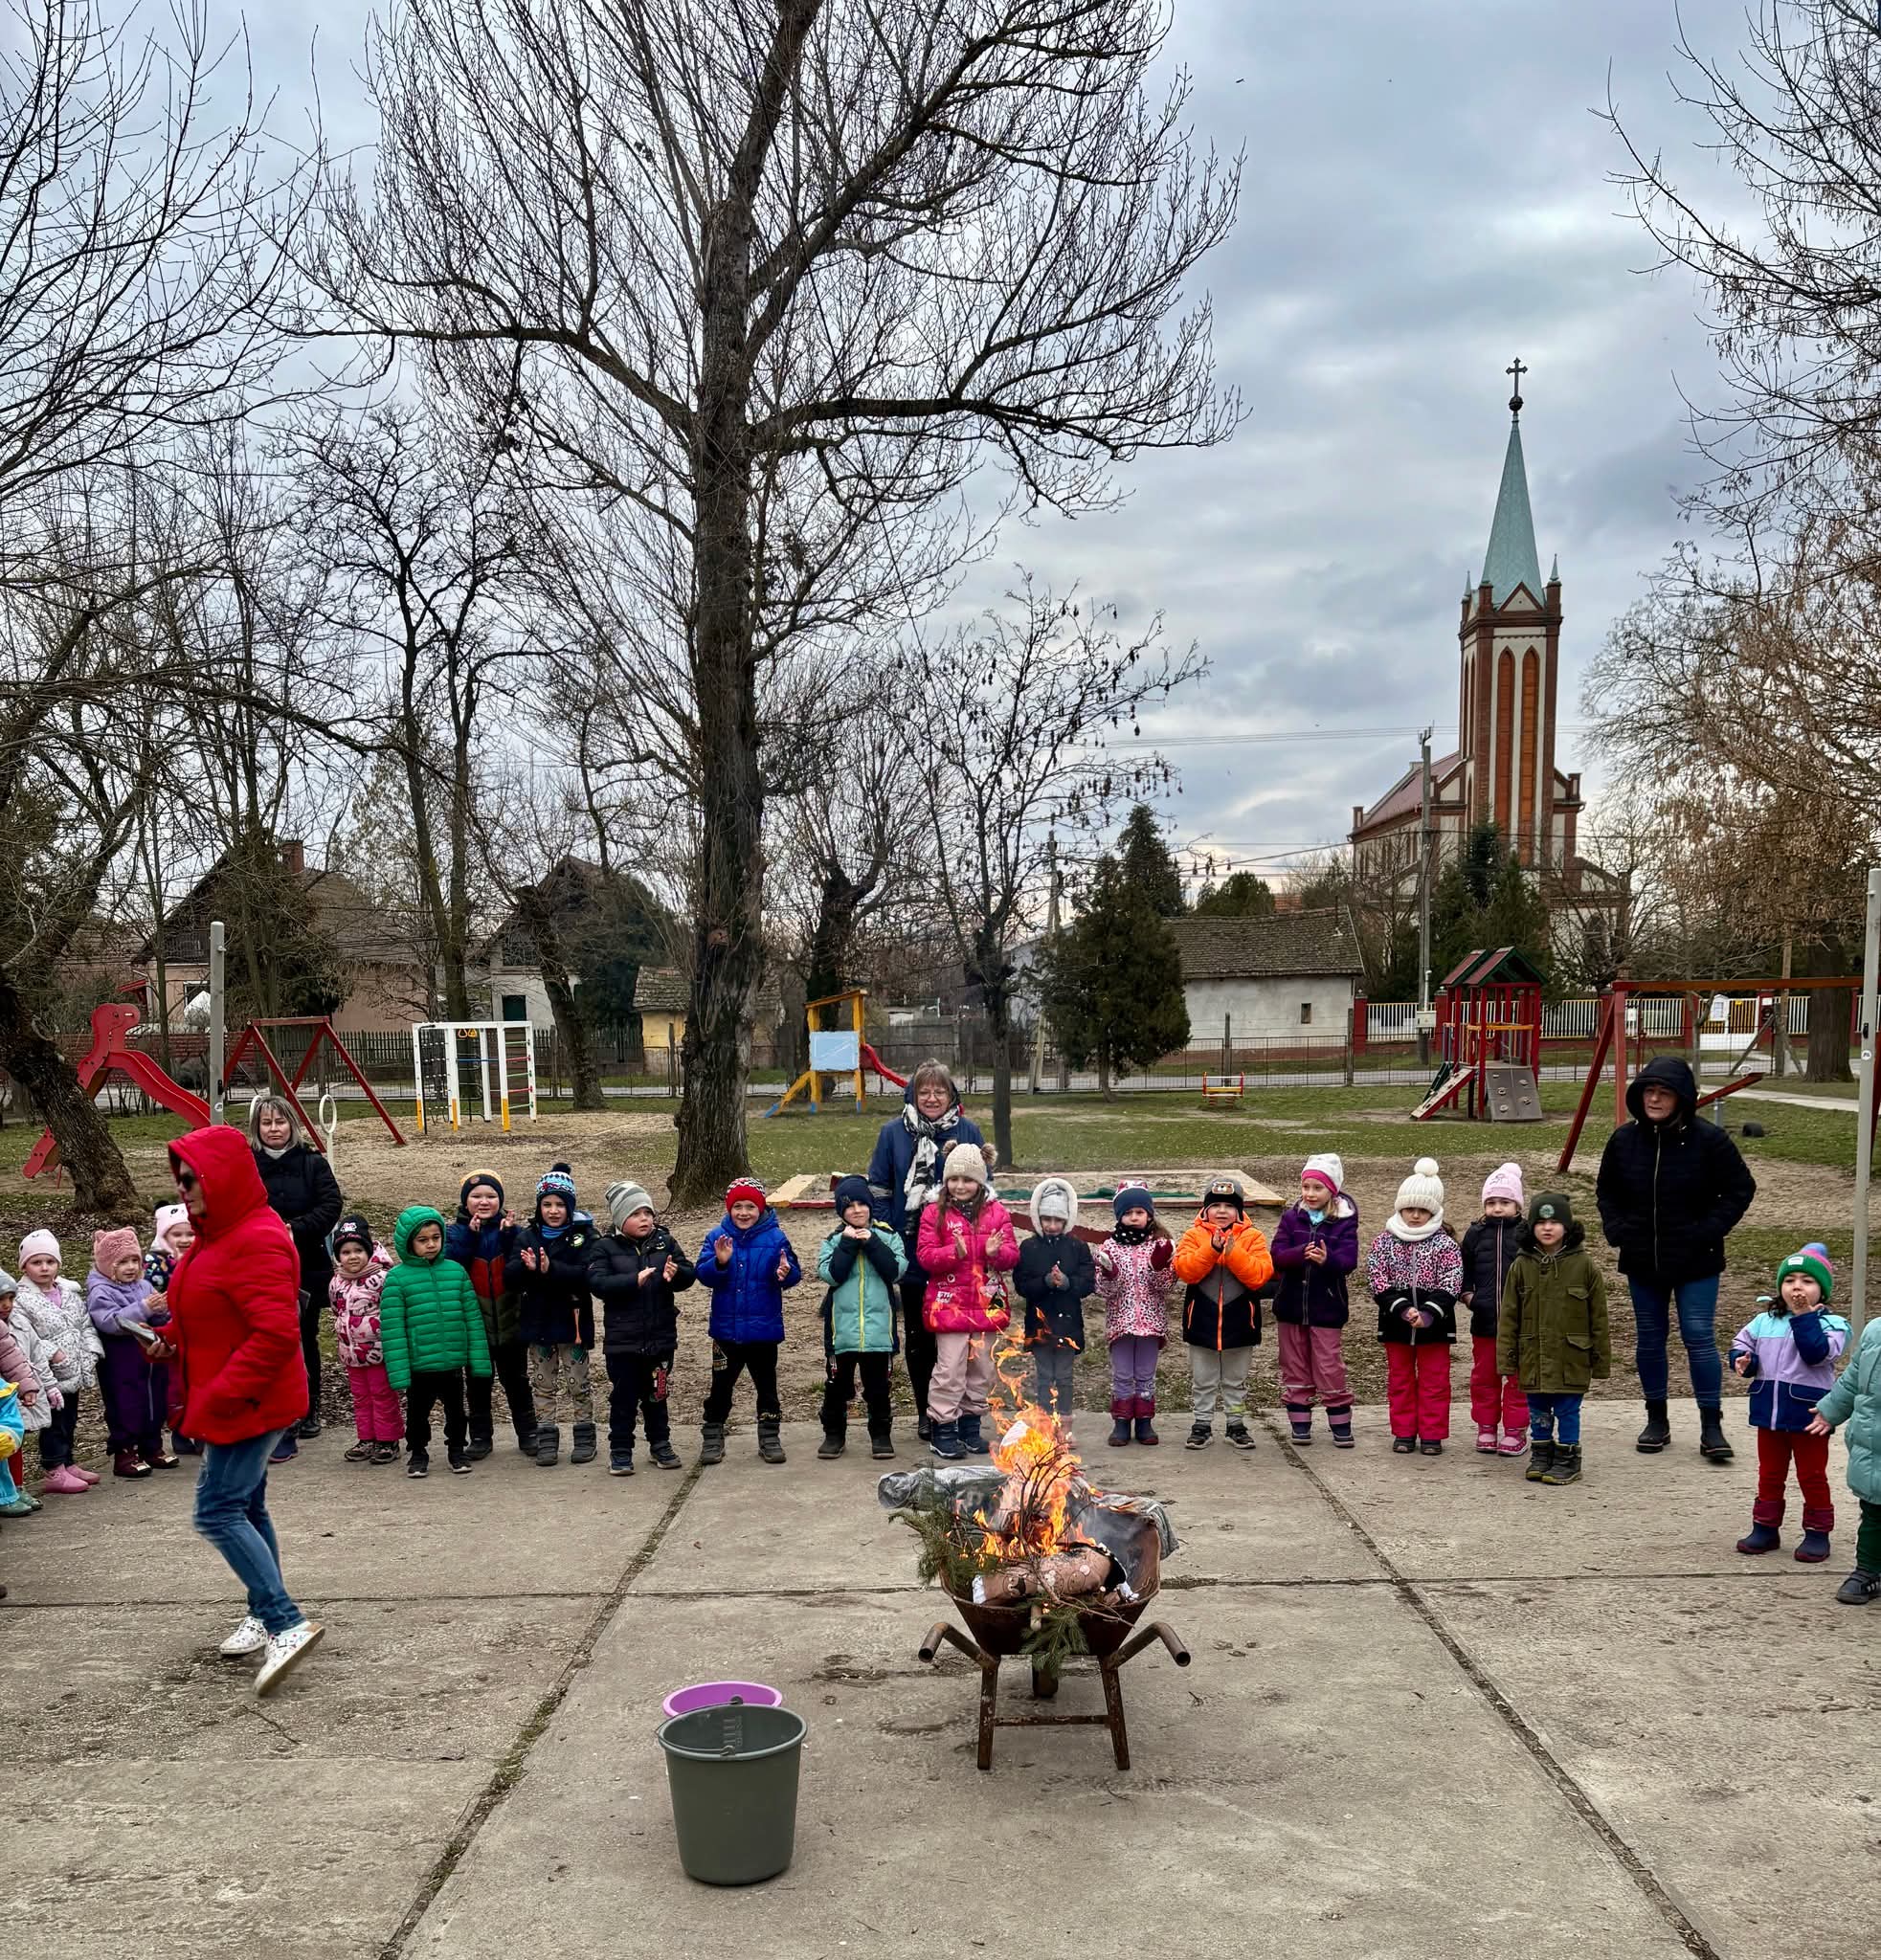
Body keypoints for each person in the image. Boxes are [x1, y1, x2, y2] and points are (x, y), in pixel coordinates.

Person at [163, 1125, 323, 1696]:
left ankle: (285, 1621)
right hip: (232, 1395)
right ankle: (264, 1610)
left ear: (220, 1175)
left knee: (217, 1510)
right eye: (179, 1181)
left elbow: (276, 1335)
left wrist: (222, 1393)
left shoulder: (256, 1238)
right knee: (248, 1506)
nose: (184, 1190)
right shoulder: (214, 1237)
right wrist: (170, 1338)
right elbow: (207, 1310)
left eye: (192, 1178)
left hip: (252, 1400)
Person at [1595, 1056, 1757, 1462]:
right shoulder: (1624, 1140)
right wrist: (1618, 1230)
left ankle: (1711, 1425)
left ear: (1681, 1098)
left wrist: (1707, 1230)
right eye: (1648, 1091)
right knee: (1650, 1338)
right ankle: (1656, 1418)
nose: (1654, 1098)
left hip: (1696, 1260)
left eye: (1663, 1092)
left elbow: (1740, 1189)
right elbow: (1606, 1191)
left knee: (1698, 1336)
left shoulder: (1710, 1141)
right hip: (1642, 1258)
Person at [867, 1063, 988, 1441]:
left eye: (940, 1092)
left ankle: (963, 1416)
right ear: (913, 1095)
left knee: (964, 1341)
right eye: (924, 1092)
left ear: (952, 1095)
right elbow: (880, 1189)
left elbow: (985, 1188)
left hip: (962, 1255)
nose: (932, 1099)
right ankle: (928, 1412)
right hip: (914, 1251)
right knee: (921, 1337)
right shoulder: (893, 1134)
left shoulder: (967, 1132)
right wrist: (892, 1234)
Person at [1730, 1246, 1848, 1562]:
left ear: (1822, 1289)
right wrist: (1743, 1361)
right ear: (1780, 1287)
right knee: (1769, 1473)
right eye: (1790, 1280)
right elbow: (1742, 1345)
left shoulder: (1833, 1325)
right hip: (1768, 1413)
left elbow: (1816, 1354)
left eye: (1807, 1280)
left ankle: (1817, 1532)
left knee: (1811, 1475)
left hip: (1810, 1415)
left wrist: (1804, 1316)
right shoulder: (1763, 1321)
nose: (1797, 1287)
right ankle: (1765, 1528)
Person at [249, 1095, 344, 1459]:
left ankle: (308, 1405)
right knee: (265, 1336)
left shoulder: (312, 1163)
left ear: (292, 1124)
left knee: (303, 1335)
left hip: (304, 1259)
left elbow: (330, 1204)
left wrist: (296, 1229)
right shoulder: (249, 1164)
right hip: (259, 1263)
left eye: (280, 1122)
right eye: (267, 1123)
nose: (274, 1130)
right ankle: (270, 1407)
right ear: (257, 1128)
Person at [1498, 1192, 1610, 1486]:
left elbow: (1598, 1317)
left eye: (1555, 1222)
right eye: (1541, 1222)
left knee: (1567, 1409)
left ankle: (1568, 1457)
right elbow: (1509, 1315)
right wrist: (1507, 1357)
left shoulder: (1585, 1265)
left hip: (1571, 1357)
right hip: (1532, 1355)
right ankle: (1541, 1452)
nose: (1547, 1228)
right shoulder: (1521, 1265)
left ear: (1568, 1226)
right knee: (1537, 1409)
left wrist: (1599, 1361)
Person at [916, 1144, 1019, 1461]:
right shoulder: (935, 1213)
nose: (960, 1186)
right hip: (950, 1303)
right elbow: (924, 1257)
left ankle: (970, 1424)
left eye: (968, 1179)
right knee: (950, 1368)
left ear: (981, 1180)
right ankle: (943, 1427)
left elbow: (1011, 1256)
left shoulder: (997, 1213)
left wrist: (994, 1253)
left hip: (987, 1302)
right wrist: (952, 1254)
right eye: (954, 1179)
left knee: (982, 1368)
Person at [588, 1180, 695, 1476]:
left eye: (648, 1212)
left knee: (657, 1395)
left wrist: (677, 1274)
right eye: (636, 1213)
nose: (645, 1219)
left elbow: (689, 1273)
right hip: (623, 1343)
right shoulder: (604, 1247)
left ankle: (660, 1444)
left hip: (660, 1339)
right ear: (621, 1219)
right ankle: (620, 1450)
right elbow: (597, 1283)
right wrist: (631, 1281)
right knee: (623, 1398)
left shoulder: (665, 1242)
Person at [697, 1177, 801, 1467]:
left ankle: (769, 1435)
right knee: (721, 1387)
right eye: (738, 1207)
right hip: (726, 1332)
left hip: (763, 1331)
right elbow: (703, 1274)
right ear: (729, 1209)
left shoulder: (775, 1238)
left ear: (761, 1208)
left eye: (750, 1206)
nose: (744, 1212)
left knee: (766, 1387)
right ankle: (713, 1433)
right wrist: (720, 1262)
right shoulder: (717, 1236)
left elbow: (793, 1272)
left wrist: (785, 1272)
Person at [381, 1205, 491, 1478]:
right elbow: (393, 1329)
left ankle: (457, 1449)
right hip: (420, 1366)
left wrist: (479, 1362)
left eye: (435, 1238)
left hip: (452, 1362)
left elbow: (473, 1321)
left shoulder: (456, 1272)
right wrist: (399, 1373)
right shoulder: (397, 1279)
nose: (431, 1245)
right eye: (423, 1240)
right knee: (417, 1415)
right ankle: (418, 1453)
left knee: (457, 1412)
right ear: (409, 1243)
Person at [1366, 1157, 1462, 1458]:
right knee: (1400, 1380)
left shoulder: (1445, 1244)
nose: (1416, 1216)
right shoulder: (1384, 1241)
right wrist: (1403, 1308)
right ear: (1400, 1208)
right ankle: (1404, 1431)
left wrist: (1430, 1312)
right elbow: (1377, 1277)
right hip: (1396, 1322)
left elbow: (1452, 1279)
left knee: (1434, 1381)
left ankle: (1432, 1434)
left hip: (1435, 1324)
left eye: (1423, 1210)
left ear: (1434, 1211)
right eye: (1410, 1209)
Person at [505, 1165, 599, 1469]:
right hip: (539, 1325)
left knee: (578, 1383)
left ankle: (585, 1436)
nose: (553, 1210)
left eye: (560, 1204)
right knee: (543, 1384)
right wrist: (528, 1268)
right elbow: (510, 1276)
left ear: (570, 1207)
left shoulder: (583, 1237)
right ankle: (546, 1437)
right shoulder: (527, 1237)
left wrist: (550, 1269)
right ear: (539, 1206)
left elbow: (588, 1276)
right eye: (547, 1204)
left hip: (571, 1322)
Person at [1172, 1176, 1274, 1452]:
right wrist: (1211, 1249)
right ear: (1205, 1210)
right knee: (1203, 1379)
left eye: (1228, 1206)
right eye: (1214, 1205)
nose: (1221, 1211)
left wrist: (1232, 1252)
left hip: (1240, 1322)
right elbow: (1185, 1270)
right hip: (1201, 1321)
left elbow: (1259, 1276)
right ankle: (1202, 1424)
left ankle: (1236, 1423)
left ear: (1239, 1210)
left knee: (1235, 1380)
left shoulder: (1253, 1237)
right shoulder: (1193, 1236)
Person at [445, 1171, 538, 1461]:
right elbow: (453, 1266)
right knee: (478, 1383)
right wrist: (470, 1238)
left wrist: (510, 1234)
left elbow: (519, 1268)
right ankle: (481, 1436)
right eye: (476, 1197)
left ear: (500, 1200)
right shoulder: (454, 1232)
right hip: (475, 1325)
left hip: (511, 1320)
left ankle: (528, 1432)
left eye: (491, 1196)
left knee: (517, 1381)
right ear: (465, 1201)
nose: (483, 1202)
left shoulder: (513, 1230)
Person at [1269, 1152, 1359, 1448]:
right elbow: (1277, 1255)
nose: (1310, 1194)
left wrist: (1326, 1259)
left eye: (1317, 1188)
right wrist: (1299, 1254)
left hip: (1327, 1307)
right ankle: (1300, 1421)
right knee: (1293, 1364)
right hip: (1291, 1306)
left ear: (1331, 1190)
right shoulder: (1291, 1217)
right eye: (1306, 1187)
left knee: (1329, 1365)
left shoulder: (1344, 1220)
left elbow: (1349, 1260)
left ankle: (1339, 1421)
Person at [817, 1174, 908, 1460]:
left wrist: (871, 1244)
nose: (856, 1210)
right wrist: (847, 1245)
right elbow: (831, 1274)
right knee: (836, 1387)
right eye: (849, 1206)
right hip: (841, 1333)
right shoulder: (833, 1241)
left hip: (878, 1334)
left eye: (861, 1204)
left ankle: (880, 1434)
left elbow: (895, 1271)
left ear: (870, 1205)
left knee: (878, 1388)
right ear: (841, 1212)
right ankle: (834, 1434)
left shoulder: (887, 1236)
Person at [86, 1227, 174, 1478]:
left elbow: (159, 1313)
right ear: (106, 1264)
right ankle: (125, 1452)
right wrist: (145, 1308)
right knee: (125, 1403)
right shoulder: (100, 1291)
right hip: (121, 1358)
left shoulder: (144, 1286)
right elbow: (111, 1321)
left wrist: (164, 1310)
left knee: (154, 1398)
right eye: (122, 1262)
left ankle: (152, 1446)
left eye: (134, 1260)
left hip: (149, 1356)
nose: (130, 1267)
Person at [1093, 1182, 1176, 1448]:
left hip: (1151, 1322)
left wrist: (1159, 1266)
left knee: (1145, 1373)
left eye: (1140, 1212)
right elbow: (1103, 1290)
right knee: (1122, 1373)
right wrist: (1110, 1274)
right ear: (1119, 1216)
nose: (1134, 1217)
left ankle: (1144, 1420)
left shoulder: (1159, 1245)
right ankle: (1121, 1420)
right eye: (1128, 1213)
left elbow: (1165, 1286)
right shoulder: (1110, 1246)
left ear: (1149, 1215)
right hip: (1121, 1323)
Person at [1808, 1303, 1881, 1604]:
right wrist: (1830, 1410)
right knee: (1875, 1515)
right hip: (1874, 1448)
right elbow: (1853, 1379)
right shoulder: (1876, 1332)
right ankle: (1868, 1571)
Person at [1015, 1177, 1096, 1443]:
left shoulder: (1077, 1247)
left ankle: (1064, 1424)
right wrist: (1045, 1282)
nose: (1051, 1226)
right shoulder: (1028, 1247)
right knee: (1043, 1377)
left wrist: (1068, 1283)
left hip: (1068, 1324)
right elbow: (1022, 1284)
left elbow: (1087, 1284)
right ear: (1038, 1218)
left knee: (1064, 1376)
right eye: (1046, 1219)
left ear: (1067, 1220)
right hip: (1039, 1324)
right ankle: (1043, 1425)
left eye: (1057, 1220)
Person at [15, 1232, 99, 1489]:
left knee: (70, 1418)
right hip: (48, 1373)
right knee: (53, 1421)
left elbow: (85, 1324)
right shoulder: (21, 1299)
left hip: (74, 1368)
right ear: (24, 1266)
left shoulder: (70, 1294)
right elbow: (26, 1335)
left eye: (49, 1262)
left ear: (58, 1265)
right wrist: (53, 1352)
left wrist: (91, 1351)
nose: (44, 1268)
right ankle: (53, 1467)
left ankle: (68, 1460)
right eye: (36, 1262)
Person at [1460, 1163, 1531, 1458]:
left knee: (1517, 1379)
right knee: (1484, 1378)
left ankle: (1515, 1430)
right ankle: (1486, 1426)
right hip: (1485, 1321)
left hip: (1520, 1324)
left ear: (1517, 1204)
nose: (1497, 1208)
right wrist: (1468, 1296)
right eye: (1491, 1202)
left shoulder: (1527, 1234)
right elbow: (1464, 1269)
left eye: (1504, 1202)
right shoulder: (1476, 1234)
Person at [329, 1217, 399, 1465]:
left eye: (358, 1250)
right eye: (346, 1252)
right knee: (360, 1396)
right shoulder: (336, 1281)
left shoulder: (381, 1278)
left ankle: (388, 1440)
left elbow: (391, 1312)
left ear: (369, 1251)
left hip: (378, 1350)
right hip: (350, 1352)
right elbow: (336, 1311)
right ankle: (366, 1438)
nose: (353, 1257)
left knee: (382, 1394)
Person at [145, 1202, 201, 1455]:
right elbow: (154, 1299)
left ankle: (201, 1431)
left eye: (190, 1233)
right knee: (176, 1387)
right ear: (163, 1236)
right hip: (169, 1332)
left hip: (200, 1332)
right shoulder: (156, 1265)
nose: (185, 1239)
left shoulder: (204, 1257)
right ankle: (179, 1430)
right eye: (177, 1234)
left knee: (200, 1383)